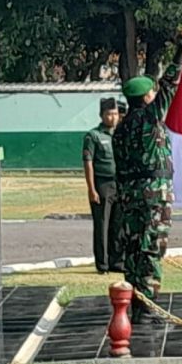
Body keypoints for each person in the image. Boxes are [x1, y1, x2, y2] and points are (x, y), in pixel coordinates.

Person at [114, 30, 182, 324]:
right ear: (146, 97)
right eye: (152, 94)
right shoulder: (150, 118)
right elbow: (170, 85)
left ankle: (134, 302)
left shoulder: (121, 129)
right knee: (151, 247)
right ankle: (147, 308)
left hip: (129, 196)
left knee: (133, 248)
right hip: (153, 195)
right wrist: (180, 52)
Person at [83, 98, 124, 274]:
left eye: (115, 114)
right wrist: (91, 189)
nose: (112, 117)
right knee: (102, 225)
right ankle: (103, 264)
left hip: (119, 184)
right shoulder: (93, 136)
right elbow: (88, 163)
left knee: (118, 225)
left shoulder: (120, 134)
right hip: (102, 184)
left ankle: (117, 262)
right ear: (101, 115)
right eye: (108, 114)